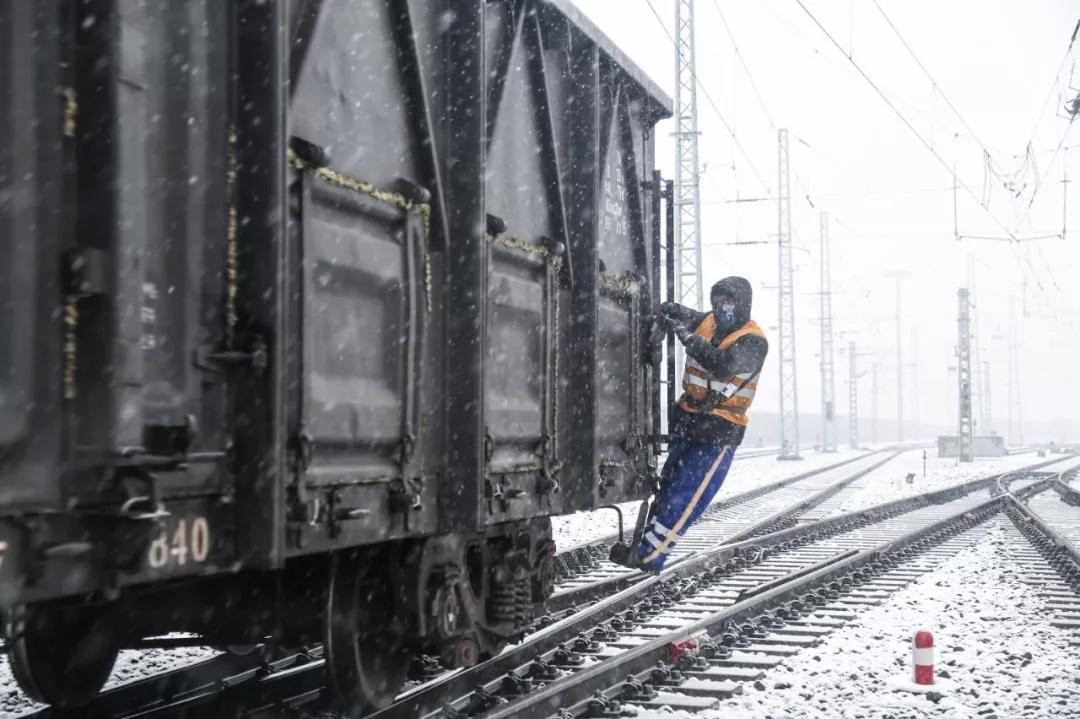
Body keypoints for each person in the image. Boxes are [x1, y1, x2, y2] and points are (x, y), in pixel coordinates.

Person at [635, 276, 768, 572]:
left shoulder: (753, 340)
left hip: (720, 428)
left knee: (687, 493)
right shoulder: (708, 321)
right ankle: (642, 548)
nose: (723, 308)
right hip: (689, 420)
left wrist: (688, 338)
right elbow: (688, 316)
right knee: (669, 487)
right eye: (718, 301)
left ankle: (651, 555)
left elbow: (723, 363)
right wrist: (671, 311)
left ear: (743, 304)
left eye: (729, 301)